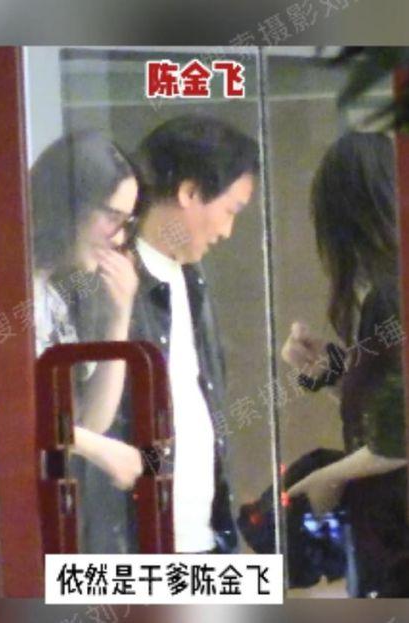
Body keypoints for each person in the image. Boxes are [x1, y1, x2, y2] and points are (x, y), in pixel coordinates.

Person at [281, 131, 408, 596]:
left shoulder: (390, 298)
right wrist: (334, 376)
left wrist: (326, 479)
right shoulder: (389, 294)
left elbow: (398, 436)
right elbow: (389, 413)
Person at [130, 114, 260, 553]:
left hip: (203, 535)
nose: (226, 230)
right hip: (139, 542)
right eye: (230, 210)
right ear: (189, 192)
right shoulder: (113, 282)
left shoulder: (191, 278)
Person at [31, 130, 143, 497]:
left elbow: (90, 420)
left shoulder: (56, 296)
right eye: (112, 217)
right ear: (71, 205)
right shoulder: (2, 284)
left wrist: (119, 315)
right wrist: (98, 449)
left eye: (126, 223)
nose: (119, 238)